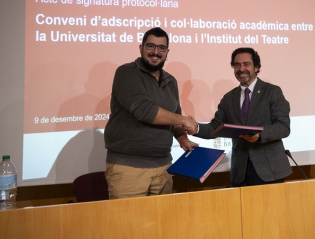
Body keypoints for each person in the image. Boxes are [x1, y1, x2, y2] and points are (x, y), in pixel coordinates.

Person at [104, 27, 198, 199]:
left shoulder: (171, 81)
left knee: (161, 224)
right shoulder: (127, 72)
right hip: (129, 170)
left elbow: (174, 119)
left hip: (163, 168)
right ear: (141, 48)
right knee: (129, 224)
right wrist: (185, 120)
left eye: (161, 48)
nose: (156, 52)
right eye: (151, 46)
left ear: (167, 52)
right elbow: (145, 111)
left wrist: (184, 140)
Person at [190, 47, 292, 187]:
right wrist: (195, 128)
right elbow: (215, 127)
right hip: (240, 173)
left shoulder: (272, 92)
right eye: (237, 65)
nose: (241, 68)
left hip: (270, 171)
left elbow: (283, 127)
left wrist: (260, 135)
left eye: (246, 64)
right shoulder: (228, 98)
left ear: (256, 67)